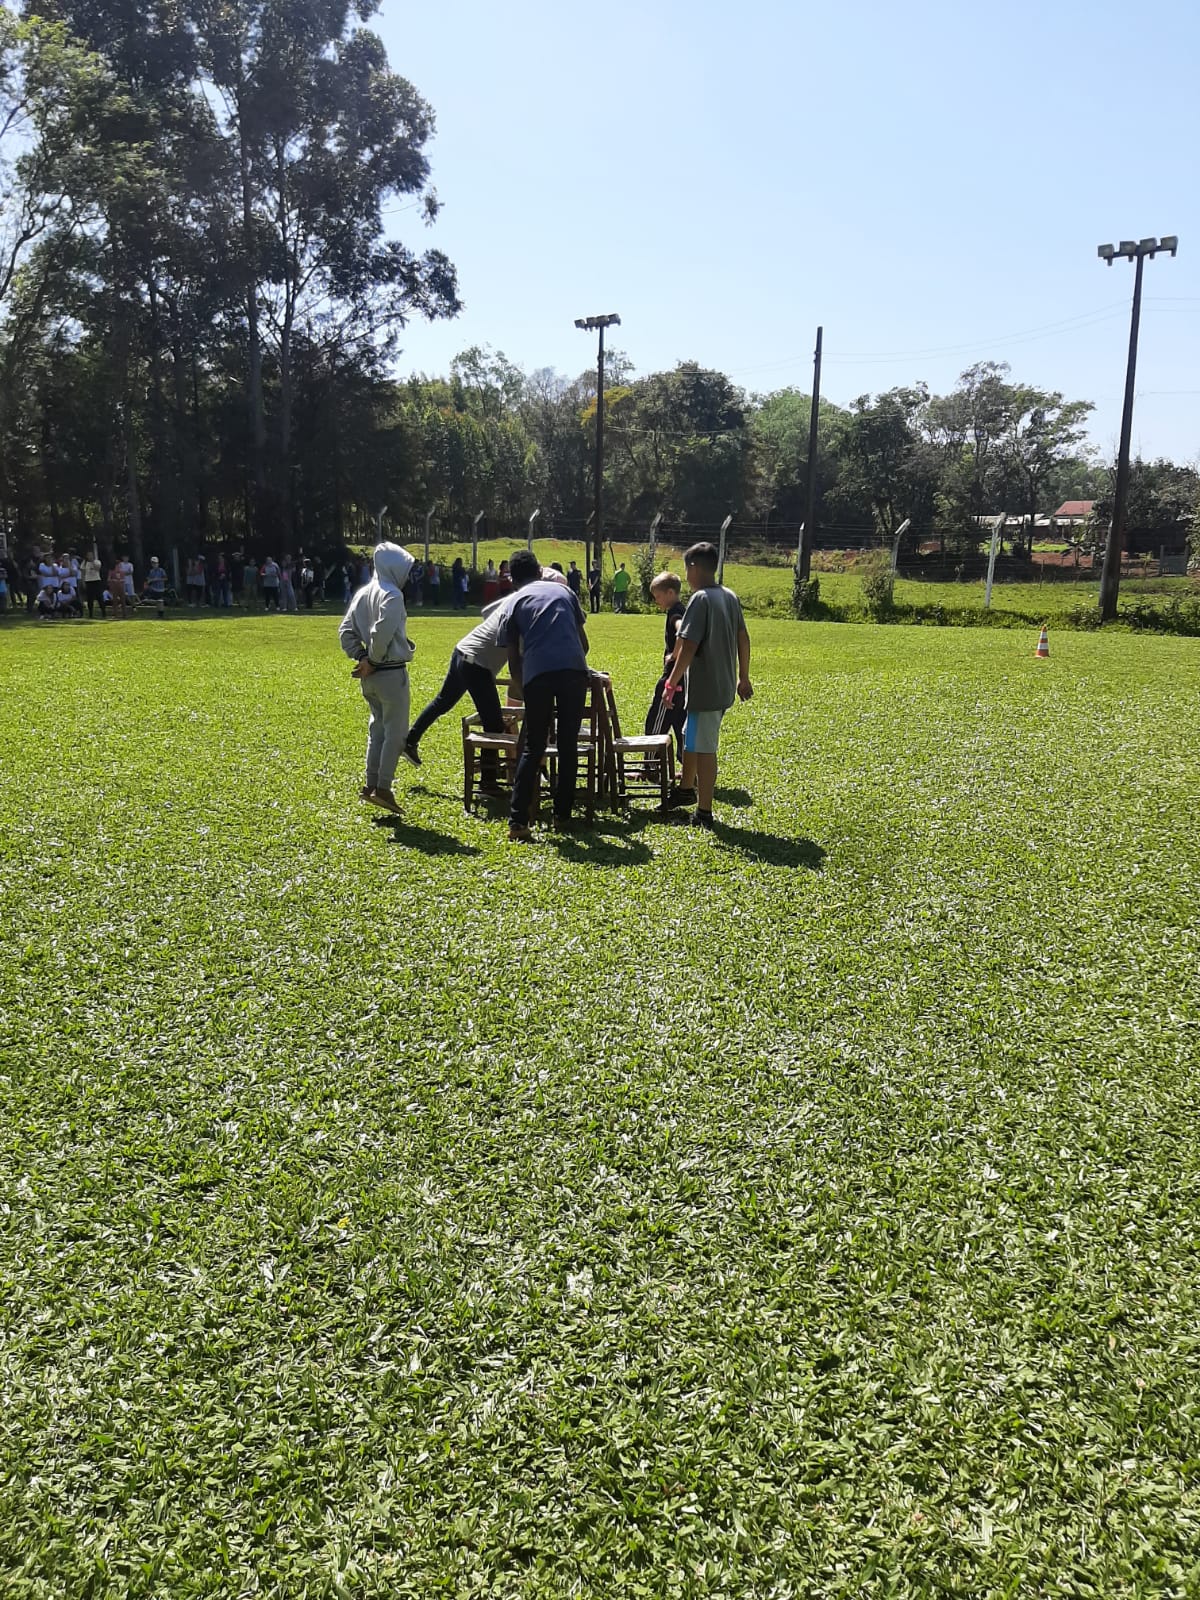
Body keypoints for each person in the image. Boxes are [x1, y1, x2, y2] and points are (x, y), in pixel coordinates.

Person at [496, 549, 589, 842]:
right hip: (573, 670)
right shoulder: (564, 592)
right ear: (539, 571)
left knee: (533, 746)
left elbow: (513, 657)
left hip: (537, 674)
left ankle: (518, 822)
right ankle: (562, 816)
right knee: (568, 744)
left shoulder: (513, 603)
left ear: (512, 580)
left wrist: (523, 688)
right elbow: (583, 643)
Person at [660, 542, 752, 830]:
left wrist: (671, 684)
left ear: (693, 568)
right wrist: (743, 676)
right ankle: (686, 790)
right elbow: (743, 638)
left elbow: (687, 646)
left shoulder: (700, 599)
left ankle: (704, 812)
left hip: (705, 690)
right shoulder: (729, 596)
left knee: (704, 747)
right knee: (691, 736)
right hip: (723, 685)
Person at [337, 541, 416, 815]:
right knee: (395, 732)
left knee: (377, 730)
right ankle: (383, 787)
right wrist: (372, 659)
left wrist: (360, 657)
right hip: (390, 672)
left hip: (369, 677)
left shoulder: (362, 594)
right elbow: (382, 633)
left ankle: (370, 784)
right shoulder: (392, 595)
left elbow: (345, 631)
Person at [404, 594, 513, 783]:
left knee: (443, 701)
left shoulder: (514, 598)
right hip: (476, 664)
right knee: (493, 724)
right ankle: (488, 782)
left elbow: (486, 611)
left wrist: (489, 637)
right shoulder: (529, 608)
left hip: (463, 651)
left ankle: (410, 740)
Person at [644, 570, 687, 759]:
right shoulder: (684, 609)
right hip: (685, 680)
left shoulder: (675, 612)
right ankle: (689, 769)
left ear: (671, 593)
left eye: (658, 596)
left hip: (672, 678)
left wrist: (674, 654)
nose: (657, 601)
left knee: (656, 722)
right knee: (680, 724)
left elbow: (682, 630)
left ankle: (650, 765)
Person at [82, 550, 106, 619]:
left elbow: (97, 569)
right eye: (88, 555)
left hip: (96, 581)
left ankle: (104, 613)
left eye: (91, 555)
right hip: (88, 581)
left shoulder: (97, 562)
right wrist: (83, 582)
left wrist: (92, 562)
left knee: (100, 597)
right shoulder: (84, 563)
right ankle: (91, 614)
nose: (90, 556)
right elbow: (83, 573)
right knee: (90, 599)